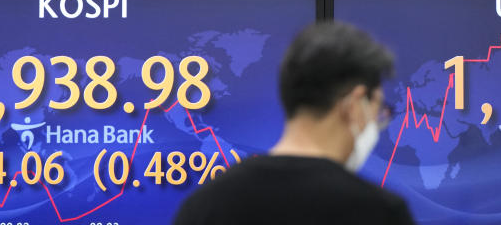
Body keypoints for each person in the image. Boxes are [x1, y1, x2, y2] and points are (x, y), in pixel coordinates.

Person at [172, 21, 416, 225]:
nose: (377, 124)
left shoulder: (205, 207)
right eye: (379, 111)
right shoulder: (380, 213)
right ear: (353, 105)